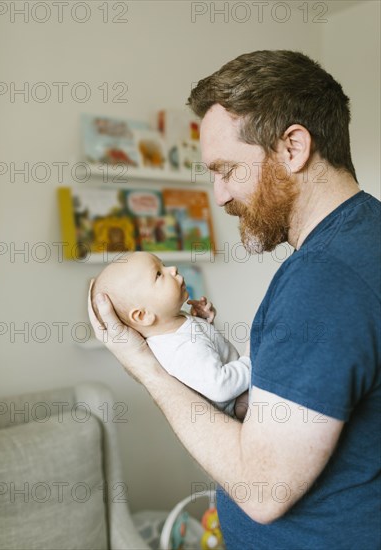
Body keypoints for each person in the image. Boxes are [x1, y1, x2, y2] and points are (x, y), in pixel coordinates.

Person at [88, 50, 381, 549]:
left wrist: (143, 365)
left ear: (293, 147)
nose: (220, 196)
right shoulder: (366, 235)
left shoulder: (323, 278)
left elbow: (264, 488)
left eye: (227, 169)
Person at [90, 251, 251, 419]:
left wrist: (202, 322)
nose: (173, 269)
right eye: (159, 274)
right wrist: (250, 359)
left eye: (164, 265)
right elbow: (221, 387)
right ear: (142, 316)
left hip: (239, 387)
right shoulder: (179, 348)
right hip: (237, 406)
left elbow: (206, 354)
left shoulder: (176, 324)